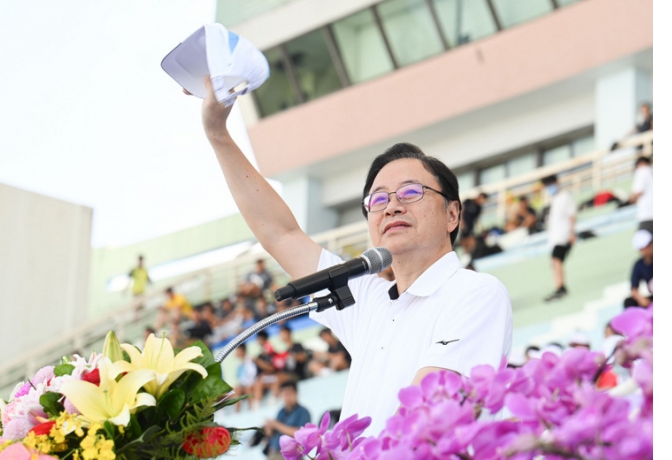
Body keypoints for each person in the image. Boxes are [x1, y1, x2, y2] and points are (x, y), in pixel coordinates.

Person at [193, 74, 512, 437]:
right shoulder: (369, 300)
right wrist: (218, 134)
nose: (391, 206)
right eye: (378, 199)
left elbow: (425, 418)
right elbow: (281, 234)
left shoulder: (475, 293)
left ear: (452, 214)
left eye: (410, 192)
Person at [541, 174, 577, 302]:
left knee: (556, 260)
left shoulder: (565, 197)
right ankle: (559, 286)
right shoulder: (554, 199)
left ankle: (561, 287)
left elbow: (572, 215)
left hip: (563, 235)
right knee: (555, 262)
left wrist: (572, 233)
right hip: (556, 237)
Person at [263, 381, 312, 460]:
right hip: (275, 453)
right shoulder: (281, 412)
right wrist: (269, 430)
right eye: (284, 394)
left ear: (296, 393)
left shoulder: (303, 412)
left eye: (289, 393)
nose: (287, 397)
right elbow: (273, 436)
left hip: (293, 454)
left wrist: (276, 424)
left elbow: (299, 433)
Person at [624, 230, 653, 309]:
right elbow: (634, 289)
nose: (649, 248)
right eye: (646, 246)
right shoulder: (639, 265)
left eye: (650, 244)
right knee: (629, 301)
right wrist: (642, 300)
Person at [459, 192, 488, 268]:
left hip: (470, 226)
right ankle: (465, 257)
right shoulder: (468, 201)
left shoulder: (479, 208)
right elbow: (462, 210)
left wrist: (481, 228)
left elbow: (477, 219)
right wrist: (461, 221)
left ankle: (470, 258)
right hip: (464, 224)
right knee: (464, 241)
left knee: (472, 242)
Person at [628, 156, 653, 234]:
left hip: (648, 214)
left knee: (643, 239)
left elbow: (638, 192)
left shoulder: (642, 171)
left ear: (640, 163)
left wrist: (631, 198)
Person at [233, 346, 258, 413]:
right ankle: (237, 412)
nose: (235, 353)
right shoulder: (241, 364)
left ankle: (252, 408)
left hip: (252, 382)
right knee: (236, 389)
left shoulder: (249, 360)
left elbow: (252, 374)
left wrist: (246, 384)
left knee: (247, 389)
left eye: (237, 351)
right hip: (245, 384)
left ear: (242, 351)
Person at [129, 255, 151, 321]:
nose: (141, 262)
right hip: (136, 291)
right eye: (140, 261)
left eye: (142, 261)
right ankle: (136, 318)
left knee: (140, 305)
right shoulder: (134, 270)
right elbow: (129, 279)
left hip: (142, 291)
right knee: (136, 306)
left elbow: (148, 279)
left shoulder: (145, 270)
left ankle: (138, 318)